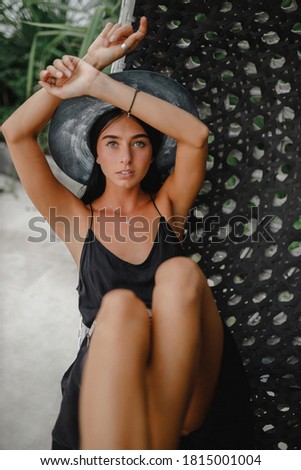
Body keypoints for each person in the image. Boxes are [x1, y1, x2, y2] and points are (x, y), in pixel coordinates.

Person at [2, 17, 254, 450]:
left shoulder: (167, 208)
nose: (126, 157)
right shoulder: (75, 220)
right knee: (119, 310)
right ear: (95, 155)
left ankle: (163, 441)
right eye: (112, 143)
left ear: (152, 153)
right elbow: (15, 133)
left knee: (181, 276)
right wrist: (80, 71)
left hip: (189, 381)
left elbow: (196, 137)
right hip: (113, 375)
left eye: (139, 143)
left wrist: (100, 84)